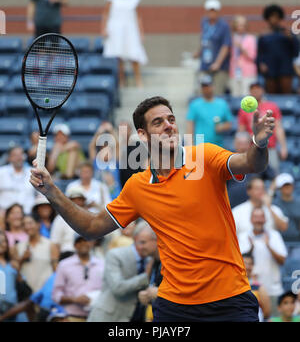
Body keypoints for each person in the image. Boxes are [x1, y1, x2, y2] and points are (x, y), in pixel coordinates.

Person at [30, 95, 276, 322]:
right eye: (158, 122)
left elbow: (251, 163)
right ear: (143, 134)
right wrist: (51, 190)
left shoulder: (205, 156)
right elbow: (92, 228)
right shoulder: (137, 187)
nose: (169, 125)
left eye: (171, 119)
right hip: (174, 306)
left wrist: (259, 142)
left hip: (230, 299)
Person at [87, 222, 157, 322]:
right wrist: (145, 276)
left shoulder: (151, 259)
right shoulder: (115, 255)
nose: (143, 246)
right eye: (142, 242)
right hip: (107, 317)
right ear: (135, 238)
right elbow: (118, 288)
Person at [238, 207, 287, 316]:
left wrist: (268, 245)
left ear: (265, 219)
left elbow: (282, 260)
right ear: (251, 219)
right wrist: (251, 248)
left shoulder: (274, 235)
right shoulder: (243, 236)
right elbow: (239, 263)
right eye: (256, 217)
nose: (258, 220)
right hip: (250, 290)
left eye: (261, 217)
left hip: (273, 289)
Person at [238, 81, 288, 175]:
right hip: (252, 148)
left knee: (274, 175)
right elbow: (241, 131)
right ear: (250, 91)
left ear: (263, 90)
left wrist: (283, 147)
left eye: (258, 88)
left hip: (270, 148)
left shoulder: (272, 106)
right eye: (253, 89)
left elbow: (278, 128)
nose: (256, 91)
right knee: (252, 178)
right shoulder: (244, 110)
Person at [52, 235, 104, 322]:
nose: (83, 244)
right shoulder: (64, 265)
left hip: (96, 316)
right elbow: (56, 294)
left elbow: (106, 290)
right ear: (75, 245)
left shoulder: (101, 264)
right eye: (79, 241)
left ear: (92, 243)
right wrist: (74, 299)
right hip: (71, 317)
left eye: (86, 240)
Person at [101, 0, 147, 87]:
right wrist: (104, 28)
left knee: (134, 55)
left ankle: (138, 81)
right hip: (115, 30)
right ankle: (121, 82)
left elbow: (138, 17)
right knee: (118, 58)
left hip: (131, 29)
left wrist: (141, 32)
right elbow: (105, 14)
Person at [257, 4, 299, 94]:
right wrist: (261, 63)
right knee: (271, 94)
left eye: (276, 17)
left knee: (286, 94)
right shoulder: (264, 35)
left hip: (285, 68)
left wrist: (292, 38)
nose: (274, 19)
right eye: (271, 16)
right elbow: (260, 53)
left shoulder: (287, 33)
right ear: (267, 18)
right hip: (270, 68)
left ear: (280, 18)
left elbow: (296, 51)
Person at [194, 0, 231, 95]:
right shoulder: (204, 23)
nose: (211, 13)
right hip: (205, 63)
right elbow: (204, 40)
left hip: (219, 67)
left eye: (214, 11)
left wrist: (218, 63)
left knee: (217, 93)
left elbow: (225, 45)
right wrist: (198, 52)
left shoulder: (223, 26)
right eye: (210, 11)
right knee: (202, 92)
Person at [12, 215, 58, 293]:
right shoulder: (18, 247)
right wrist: (22, 259)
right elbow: (15, 273)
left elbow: (56, 271)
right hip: (26, 293)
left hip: (45, 292)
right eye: (24, 224)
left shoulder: (50, 245)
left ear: (38, 224)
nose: (27, 227)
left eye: (30, 223)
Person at [186, 74, 233, 147]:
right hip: (200, 145)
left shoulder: (222, 104)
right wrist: (189, 146)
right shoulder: (194, 104)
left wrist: (221, 127)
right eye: (204, 86)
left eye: (208, 86)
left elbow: (229, 124)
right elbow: (190, 128)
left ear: (213, 86)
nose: (206, 89)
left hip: (217, 145)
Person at [50, 186, 87, 259]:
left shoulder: (90, 217)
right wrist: (56, 267)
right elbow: (54, 245)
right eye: (73, 199)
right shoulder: (60, 219)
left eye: (80, 199)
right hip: (66, 256)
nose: (77, 202)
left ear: (84, 201)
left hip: (87, 256)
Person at [0, 230, 29, 322]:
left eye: (4, 241)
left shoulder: (12, 264)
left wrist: (18, 269)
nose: (1, 244)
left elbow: (22, 285)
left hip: (14, 308)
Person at [89, 121, 122, 199]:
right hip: (98, 197)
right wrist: (98, 132)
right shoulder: (95, 162)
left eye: (108, 147)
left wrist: (111, 130)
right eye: (103, 148)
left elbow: (117, 144)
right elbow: (91, 146)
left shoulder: (115, 161)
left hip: (115, 197)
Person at [0, 146, 36, 215]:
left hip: (28, 215)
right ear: (9, 158)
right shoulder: (1, 172)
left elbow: (41, 195)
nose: (19, 158)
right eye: (15, 155)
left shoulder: (33, 172)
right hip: (5, 215)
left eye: (21, 154)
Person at [229, 15, 257, 97]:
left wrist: (241, 47)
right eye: (239, 24)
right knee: (235, 95)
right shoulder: (231, 38)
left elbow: (252, 57)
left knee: (247, 96)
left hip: (248, 72)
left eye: (243, 25)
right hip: (234, 71)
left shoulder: (251, 38)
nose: (241, 27)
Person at [242, 252, 271, 321]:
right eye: (245, 263)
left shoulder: (259, 287)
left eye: (250, 264)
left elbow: (267, 313)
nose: (248, 267)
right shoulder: (233, 285)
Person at [272, 173, 300, 242]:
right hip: (279, 241)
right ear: (279, 188)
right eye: (284, 186)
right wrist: (271, 189)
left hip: (297, 241)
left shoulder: (299, 202)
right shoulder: (274, 204)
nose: (287, 188)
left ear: (293, 186)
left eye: (289, 185)